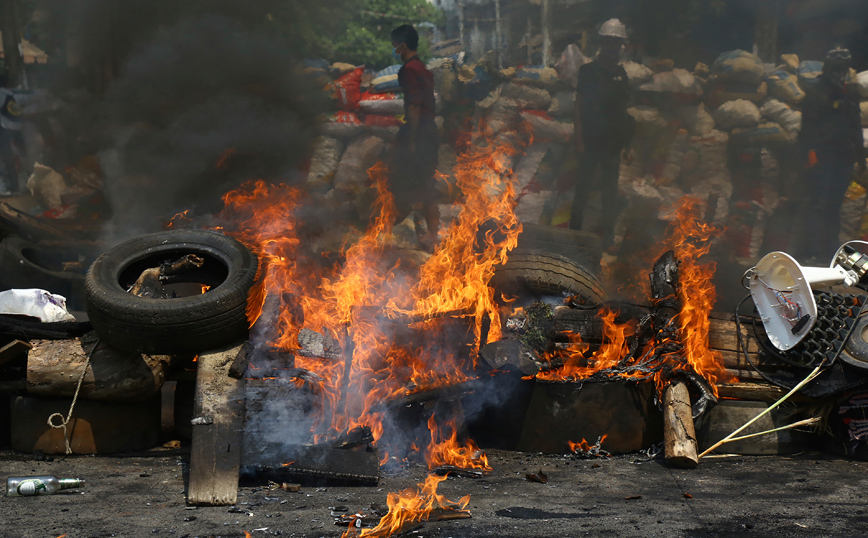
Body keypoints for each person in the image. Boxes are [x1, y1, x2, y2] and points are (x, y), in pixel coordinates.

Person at [569, 18, 634, 250]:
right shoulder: (588, 72)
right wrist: (579, 140)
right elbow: (578, 106)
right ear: (602, 44)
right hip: (589, 142)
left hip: (612, 146)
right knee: (582, 193)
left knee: (610, 195)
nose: (612, 48)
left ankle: (607, 240)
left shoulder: (622, 75)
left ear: (621, 46)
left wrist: (627, 145)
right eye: (608, 43)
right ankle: (573, 237)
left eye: (616, 44)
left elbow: (624, 112)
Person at [799, 46, 866, 263]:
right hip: (822, 155)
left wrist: (860, 158)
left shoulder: (850, 94)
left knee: (834, 205)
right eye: (835, 68)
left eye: (842, 68)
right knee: (818, 203)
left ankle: (830, 251)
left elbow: (856, 126)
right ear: (827, 68)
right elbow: (806, 129)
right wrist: (809, 155)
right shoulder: (817, 93)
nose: (839, 72)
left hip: (844, 156)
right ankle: (812, 251)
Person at [388, 24, 440, 252]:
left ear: (403, 45)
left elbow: (415, 105)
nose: (393, 48)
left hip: (419, 132)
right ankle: (431, 236)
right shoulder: (423, 67)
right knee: (426, 184)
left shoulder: (408, 70)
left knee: (403, 182)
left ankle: (408, 235)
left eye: (394, 44)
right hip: (430, 131)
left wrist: (411, 138)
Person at [0, 74, 23, 193]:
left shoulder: (2, 95)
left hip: (3, 131)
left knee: (7, 160)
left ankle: (11, 188)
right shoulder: (10, 95)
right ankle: (16, 188)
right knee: (12, 160)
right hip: (13, 130)